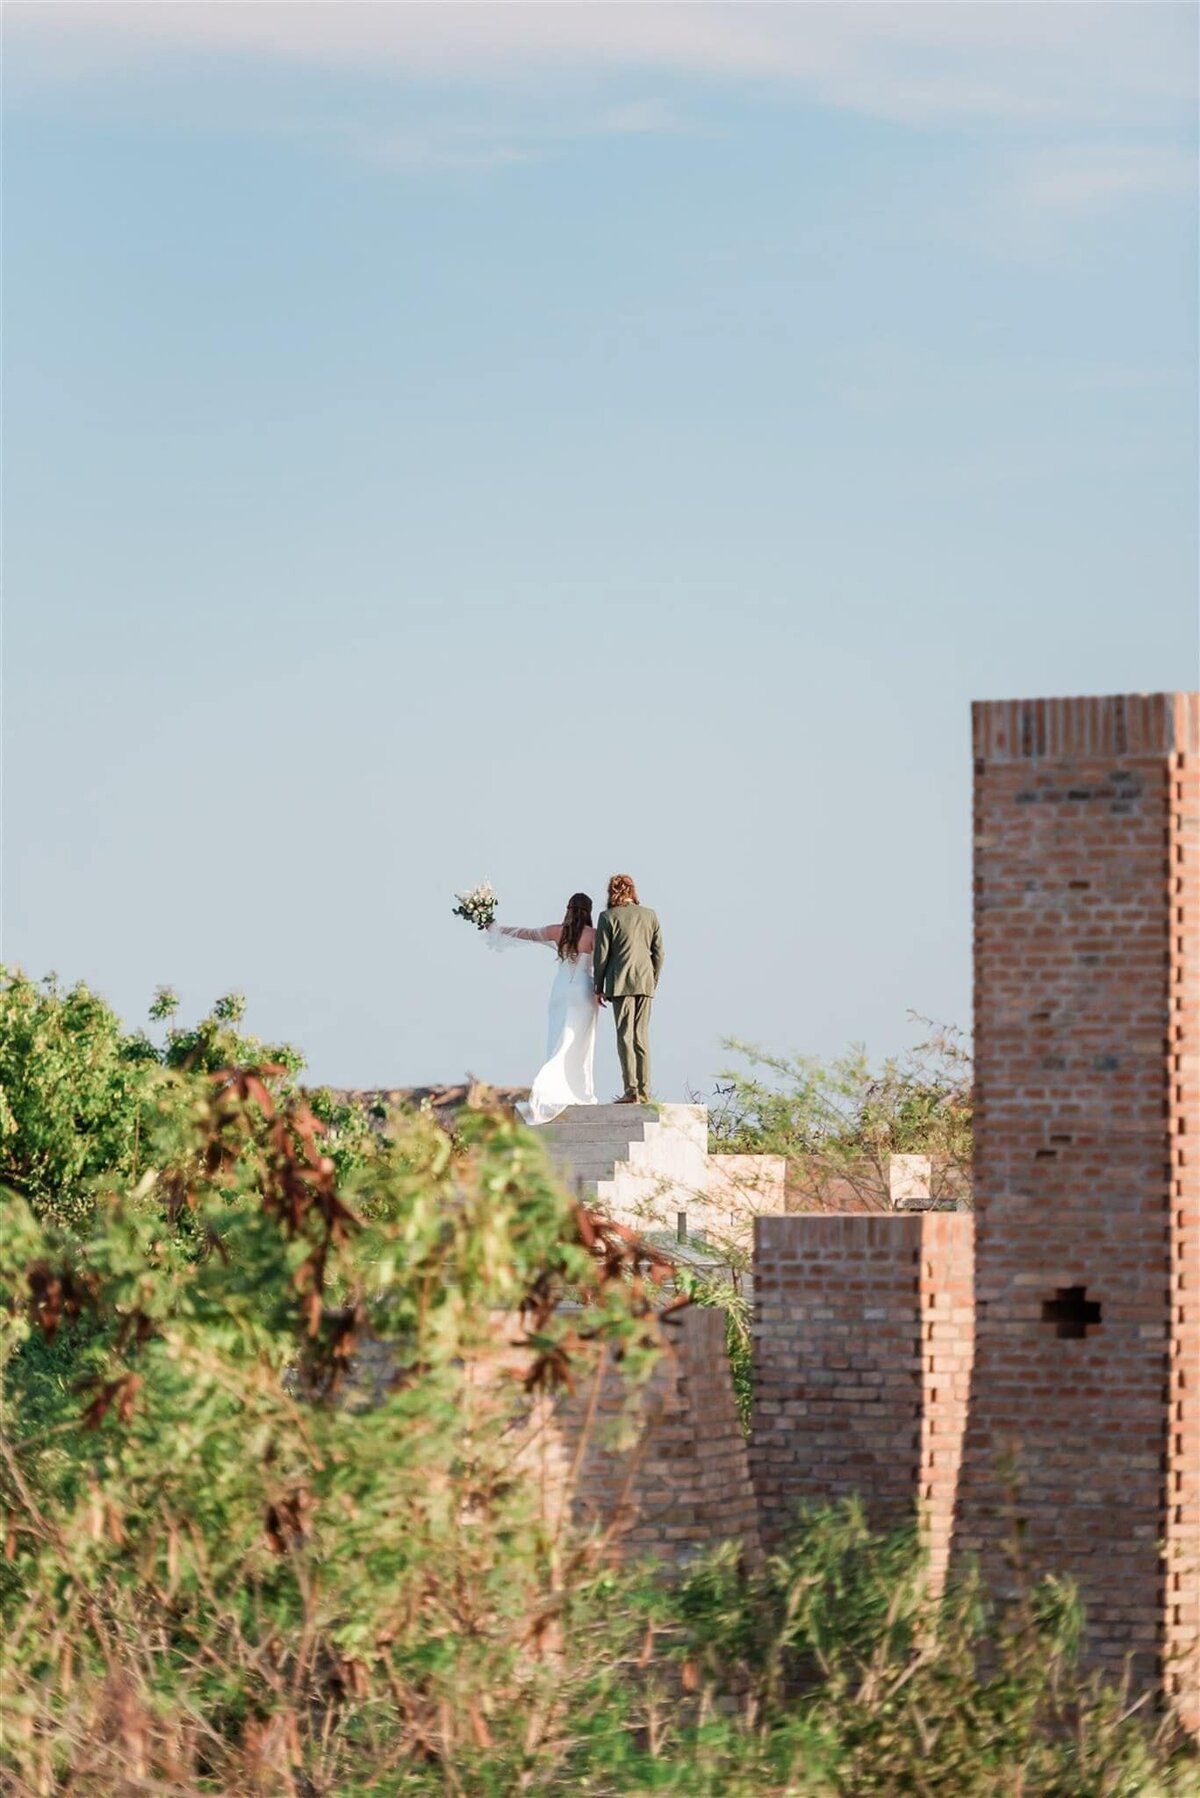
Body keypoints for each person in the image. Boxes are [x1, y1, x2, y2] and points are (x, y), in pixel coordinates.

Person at [487, 892, 599, 1126]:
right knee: (580, 1043)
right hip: (582, 993)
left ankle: (555, 1087)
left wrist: (498, 929)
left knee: (558, 1039)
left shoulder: (556, 931)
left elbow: (526, 934)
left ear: (568, 909)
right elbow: (603, 966)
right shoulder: (594, 936)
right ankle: (575, 1089)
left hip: (559, 992)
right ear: (589, 911)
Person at [592, 874, 663, 1104]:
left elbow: (601, 956)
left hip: (619, 982)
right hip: (644, 982)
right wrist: (653, 978)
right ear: (632, 890)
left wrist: (598, 986)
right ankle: (645, 1091)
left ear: (611, 892)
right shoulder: (649, 915)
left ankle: (630, 1090)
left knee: (625, 1036)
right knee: (641, 1036)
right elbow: (659, 953)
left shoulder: (607, 917)